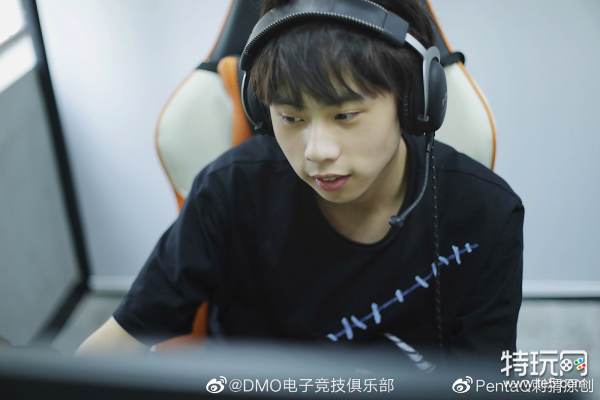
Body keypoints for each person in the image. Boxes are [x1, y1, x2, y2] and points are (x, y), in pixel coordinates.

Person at [78, 0, 524, 367]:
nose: (316, 151)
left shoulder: (485, 212)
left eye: (345, 115)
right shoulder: (229, 190)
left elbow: (485, 381)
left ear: (411, 102)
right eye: (291, 118)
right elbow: (122, 338)